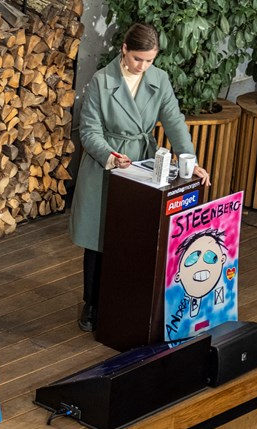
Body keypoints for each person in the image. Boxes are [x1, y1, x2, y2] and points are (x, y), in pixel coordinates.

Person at [70, 23, 211, 332]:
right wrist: (110, 156)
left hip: (143, 161)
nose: (144, 66)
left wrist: (191, 162)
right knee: (98, 239)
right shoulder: (101, 81)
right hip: (105, 164)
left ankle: (125, 300)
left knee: (134, 235)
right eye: (138, 59)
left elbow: (174, 121)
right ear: (124, 49)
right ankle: (91, 303)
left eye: (149, 60)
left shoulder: (159, 80)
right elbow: (89, 131)